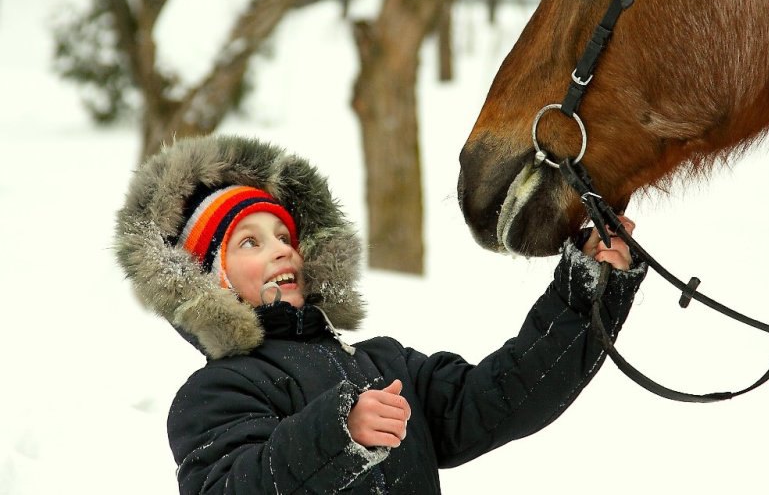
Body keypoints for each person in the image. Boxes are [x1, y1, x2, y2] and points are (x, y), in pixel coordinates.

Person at [114, 134, 646, 494]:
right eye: (249, 242)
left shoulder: (383, 364)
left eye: (284, 235)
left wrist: (585, 292)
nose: (282, 250)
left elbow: (503, 397)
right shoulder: (212, 395)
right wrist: (338, 430)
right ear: (212, 282)